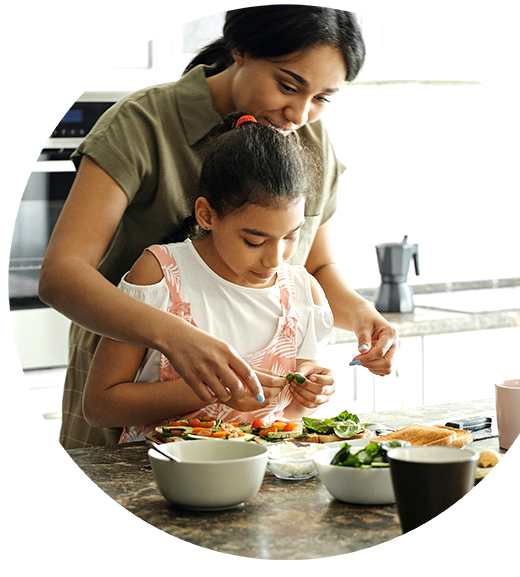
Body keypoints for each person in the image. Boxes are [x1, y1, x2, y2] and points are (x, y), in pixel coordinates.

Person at [39, 5, 400, 449]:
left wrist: (363, 316)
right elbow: (61, 274)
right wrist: (176, 337)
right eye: (288, 85)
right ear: (241, 51)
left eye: (323, 98)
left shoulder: (309, 140)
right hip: (128, 381)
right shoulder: (142, 124)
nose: (300, 114)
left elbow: (316, 266)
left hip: (245, 432)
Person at [83, 112, 335, 442]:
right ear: (206, 214)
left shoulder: (304, 294)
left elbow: (290, 416)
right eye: (254, 241)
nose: (275, 259)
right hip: (161, 477)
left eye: (291, 236)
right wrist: (210, 390)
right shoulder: (160, 275)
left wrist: (311, 394)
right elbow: (100, 407)